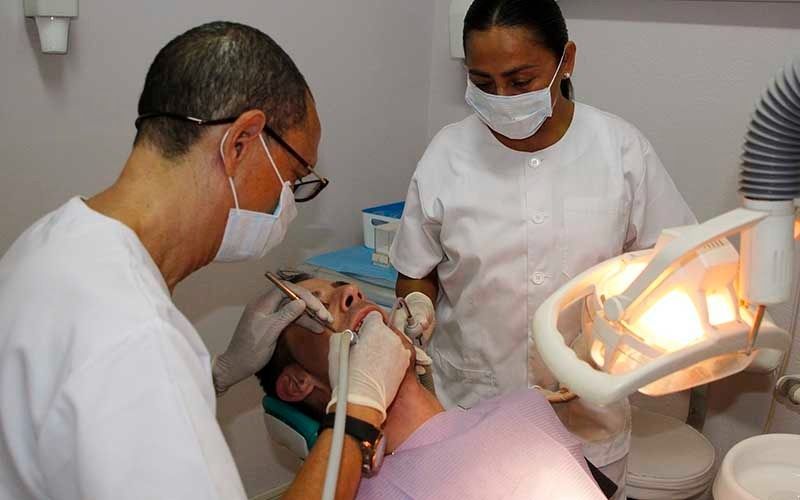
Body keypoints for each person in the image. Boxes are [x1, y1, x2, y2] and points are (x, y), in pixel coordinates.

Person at [0, 22, 409, 500]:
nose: (289, 205)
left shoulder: (51, 242)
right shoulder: (135, 338)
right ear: (240, 142)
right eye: (295, 177)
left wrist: (215, 376)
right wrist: (356, 414)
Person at [389, 0, 696, 496]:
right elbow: (414, 269)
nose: (502, 97)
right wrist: (416, 305)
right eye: (483, 84)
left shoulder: (620, 150)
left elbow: (676, 265)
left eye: (521, 80)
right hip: (469, 410)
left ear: (566, 60)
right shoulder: (447, 153)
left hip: (588, 420)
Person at [257, 275, 609, 500]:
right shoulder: (358, 491)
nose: (351, 291)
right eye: (316, 309)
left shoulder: (525, 407)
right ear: (296, 383)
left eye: (339, 286)